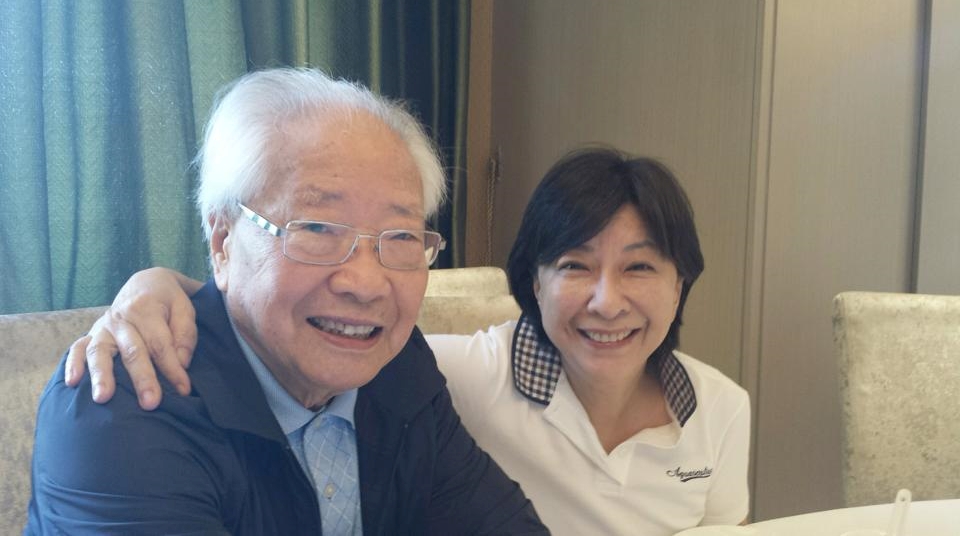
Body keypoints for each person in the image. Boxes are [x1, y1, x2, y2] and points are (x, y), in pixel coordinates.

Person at [69, 148, 751, 534]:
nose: (608, 300)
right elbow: (290, 328)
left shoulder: (723, 406)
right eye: (574, 266)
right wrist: (155, 288)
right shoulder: (461, 372)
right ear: (532, 284)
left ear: (682, 281)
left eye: (641, 267)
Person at [26, 67, 548, 535]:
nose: (365, 284)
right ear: (223, 241)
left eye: (401, 236)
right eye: (317, 228)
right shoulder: (117, 409)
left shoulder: (398, 365)